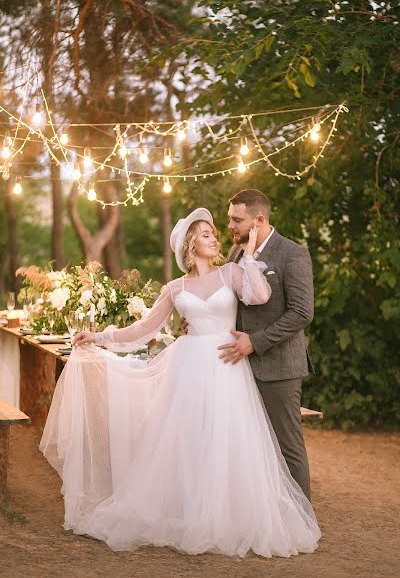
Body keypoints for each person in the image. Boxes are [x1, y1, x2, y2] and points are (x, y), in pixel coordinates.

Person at [40, 208, 320, 558]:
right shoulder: (175, 287)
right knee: (189, 441)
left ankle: (227, 515)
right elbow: (144, 328)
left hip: (226, 366)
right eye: (205, 234)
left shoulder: (232, 271)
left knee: (229, 442)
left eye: (214, 233)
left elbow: (260, 296)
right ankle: (188, 512)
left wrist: (248, 256)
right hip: (188, 369)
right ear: (190, 244)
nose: (215, 237)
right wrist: (97, 336)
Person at [221, 189, 315, 501]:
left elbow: (302, 312)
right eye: (230, 218)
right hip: (238, 368)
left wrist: (256, 342)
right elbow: (234, 303)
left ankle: (303, 518)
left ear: (259, 219)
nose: (230, 225)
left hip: (279, 368)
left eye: (237, 219)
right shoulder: (236, 254)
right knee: (249, 444)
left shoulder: (292, 254)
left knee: (287, 445)